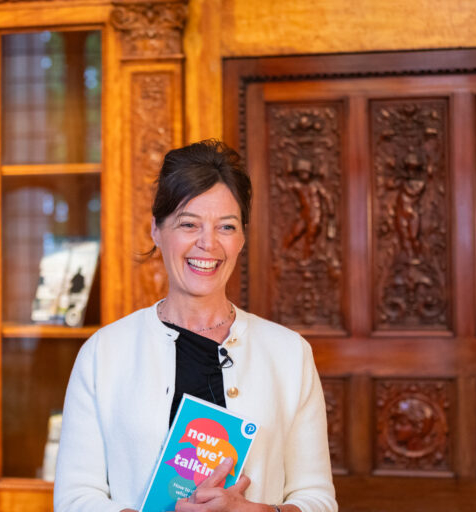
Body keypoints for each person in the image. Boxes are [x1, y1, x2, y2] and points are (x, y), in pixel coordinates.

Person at [54, 140, 337, 512]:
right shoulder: (104, 352)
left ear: (242, 238)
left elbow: (318, 499)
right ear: (156, 230)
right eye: (189, 224)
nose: (208, 243)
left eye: (226, 227)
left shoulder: (289, 353)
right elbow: (74, 499)